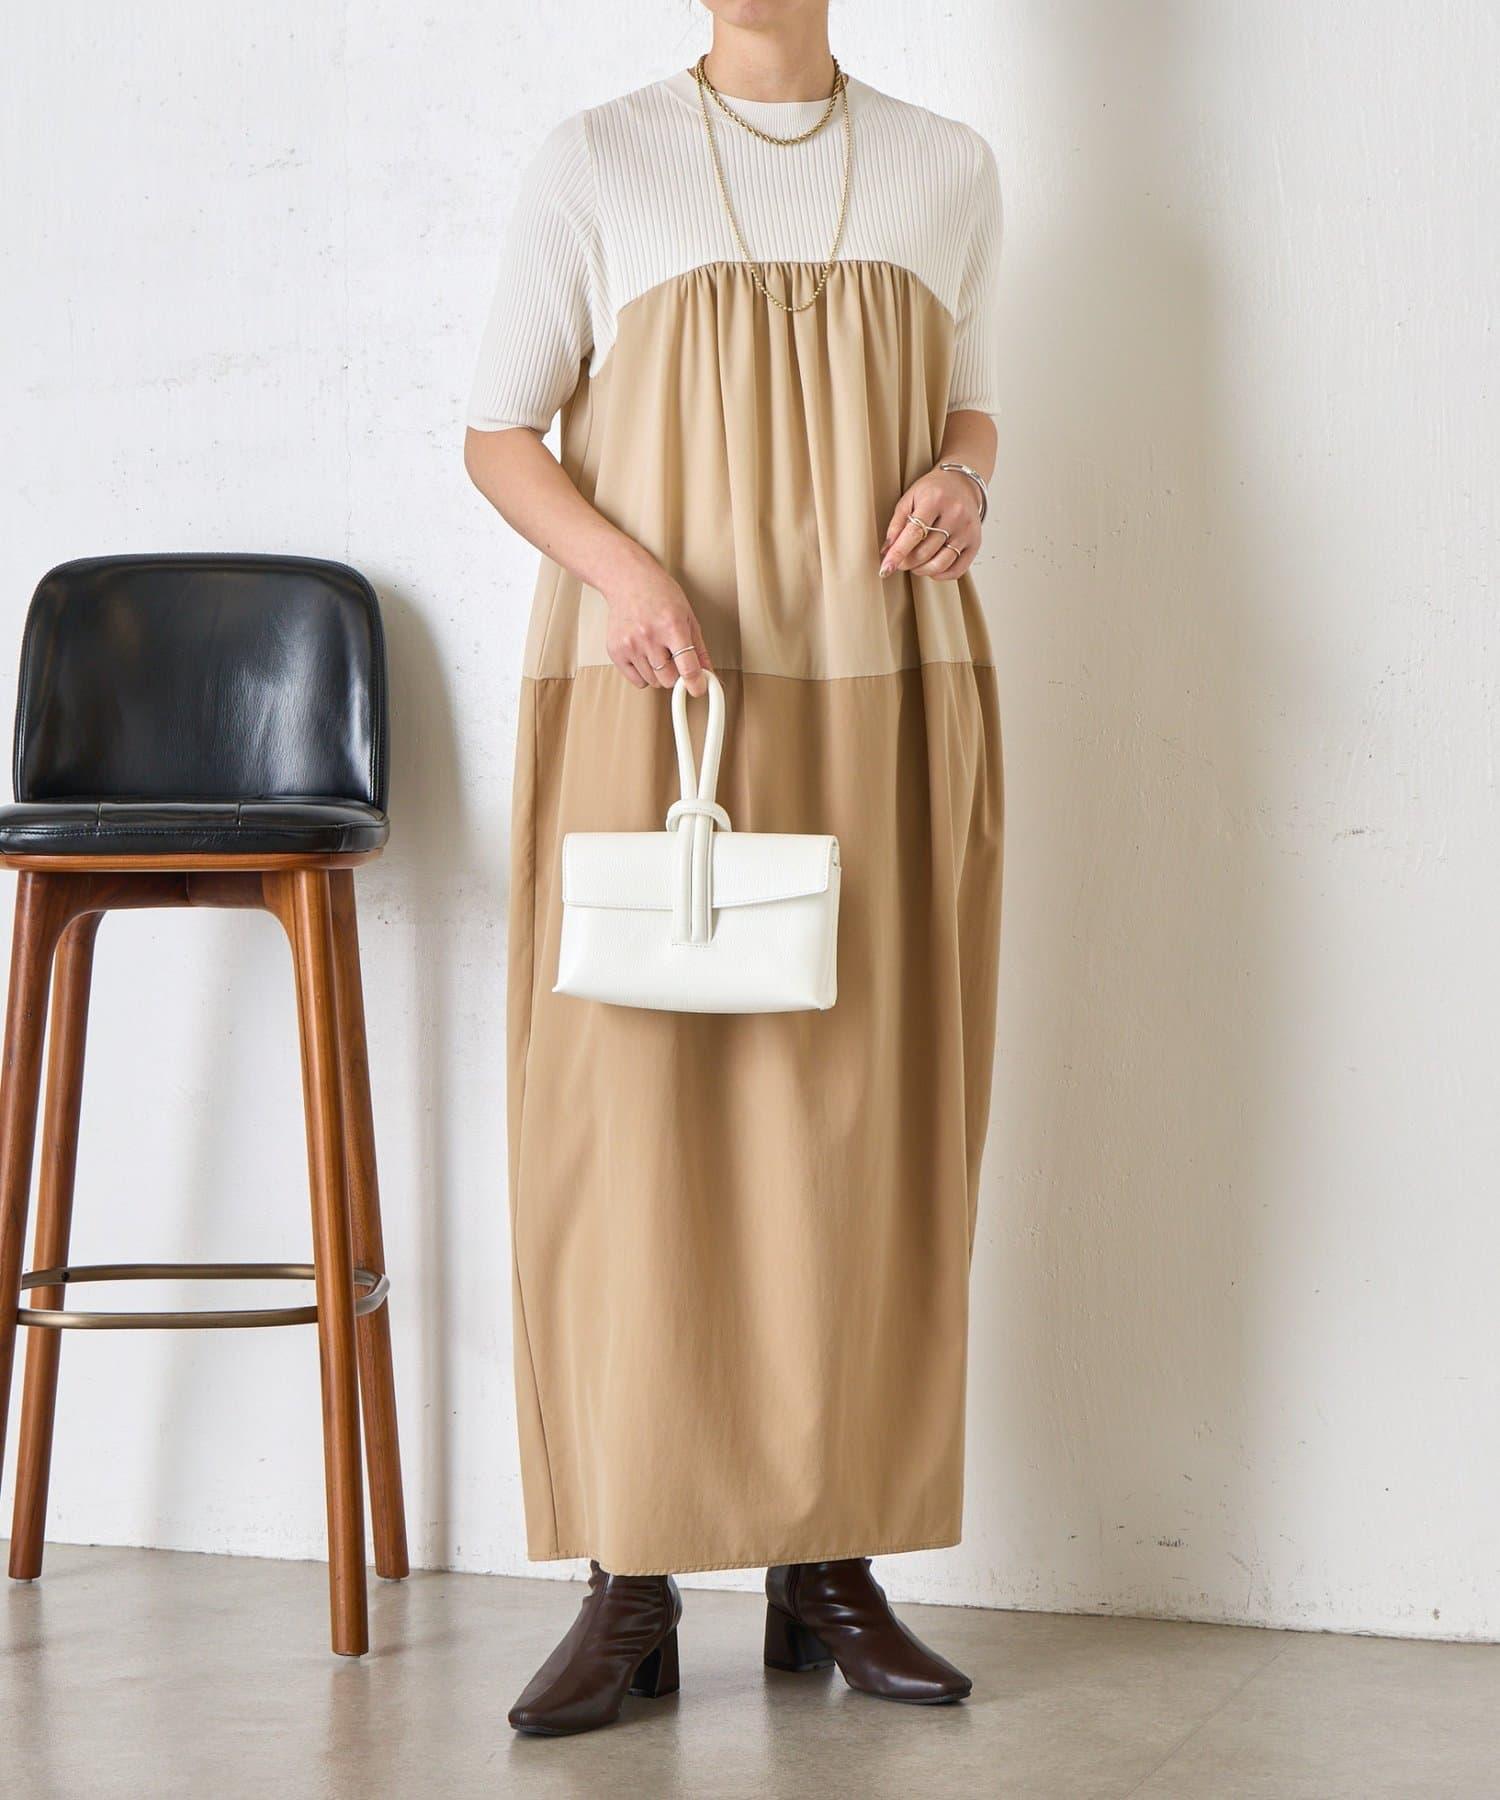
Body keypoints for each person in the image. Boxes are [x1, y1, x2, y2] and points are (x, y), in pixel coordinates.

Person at [465, 0, 1003, 1737]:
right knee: (630, 1124)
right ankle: (629, 1581)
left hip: (882, 686)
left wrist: (964, 479)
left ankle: (829, 1566)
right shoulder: (599, 157)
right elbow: (498, 433)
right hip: (658, 693)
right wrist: (625, 576)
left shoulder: (946, 165)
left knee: (860, 1122)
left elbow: (973, 407)